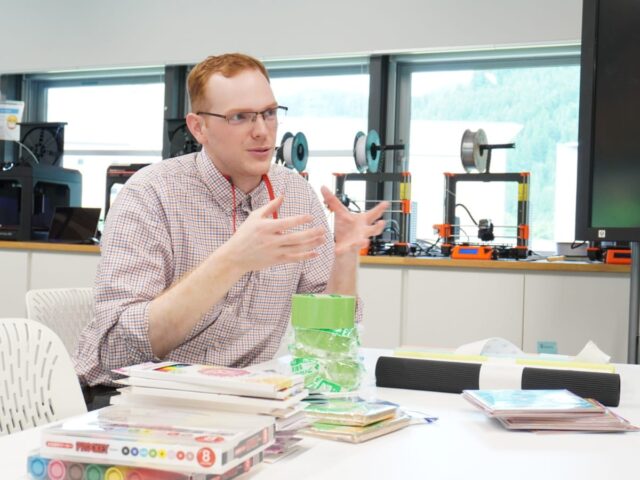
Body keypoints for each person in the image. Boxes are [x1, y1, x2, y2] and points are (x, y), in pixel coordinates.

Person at [73, 53, 388, 401]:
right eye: (239, 117)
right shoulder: (151, 194)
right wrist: (233, 260)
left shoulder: (296, 194)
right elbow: (119, 350)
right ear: (198, 128)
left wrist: (345, 257)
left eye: (269, 113)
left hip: (237, 399)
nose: (262, 130)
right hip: (126, 398)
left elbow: (327, 341)